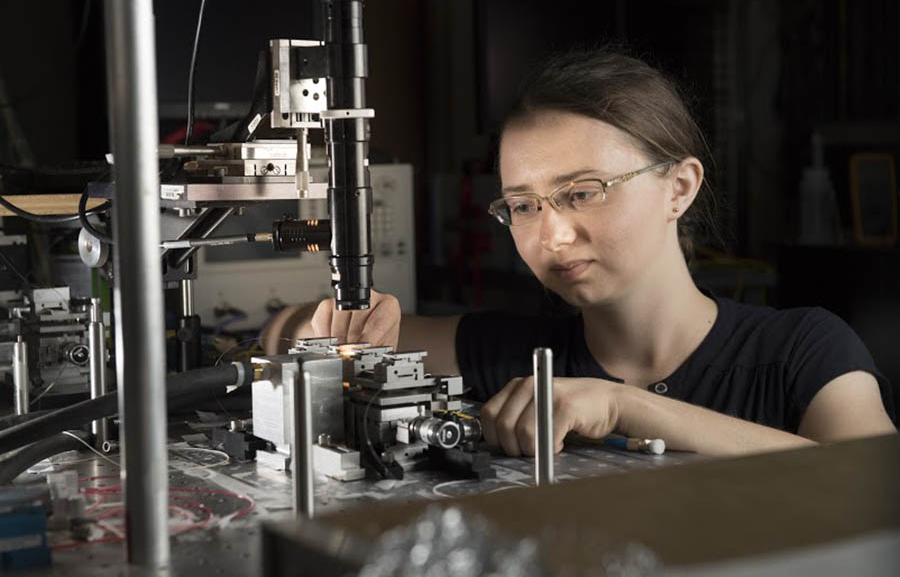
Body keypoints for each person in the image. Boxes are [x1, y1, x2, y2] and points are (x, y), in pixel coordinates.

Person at [265, 47, 896, 457]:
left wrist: (626, 405)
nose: (553, 235)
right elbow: (279, 337)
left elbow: (873, 483)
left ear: (679, 187)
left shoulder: (803, 350)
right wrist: (332, 323)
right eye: (523, 204)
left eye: (583, 193)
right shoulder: (508, 354)